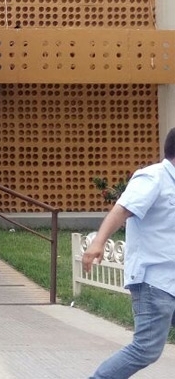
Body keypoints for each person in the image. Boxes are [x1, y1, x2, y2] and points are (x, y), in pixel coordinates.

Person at [82, 127, 175, 379]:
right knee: (146, 349)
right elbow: (122, 209)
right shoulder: (153, 177)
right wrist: (98, 242)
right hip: (155, 282)